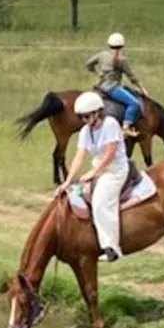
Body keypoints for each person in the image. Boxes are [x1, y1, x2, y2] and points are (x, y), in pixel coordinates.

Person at [58, 89, 126, 262]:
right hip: (98, 170)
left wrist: (94, 173)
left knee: (100, 202)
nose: (84, 120)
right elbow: (79, 157)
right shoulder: (85, 132)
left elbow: (110, 153)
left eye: (87, 116)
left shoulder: (110, 124)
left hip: (115, 170)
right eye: (81, 117)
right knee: (76, 196)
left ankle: (111, 247)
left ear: (97, 113)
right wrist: (67, 181)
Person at [85, 32, 144, 135]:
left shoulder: (102, 54)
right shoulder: (122, 60)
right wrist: (141, 88)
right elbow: (131, 77)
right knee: (134, 103)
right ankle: (125, 127)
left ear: (109, 45)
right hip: (112, 88)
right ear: (122, 46)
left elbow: (88, 64)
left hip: (99, 87)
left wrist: (97, 72)